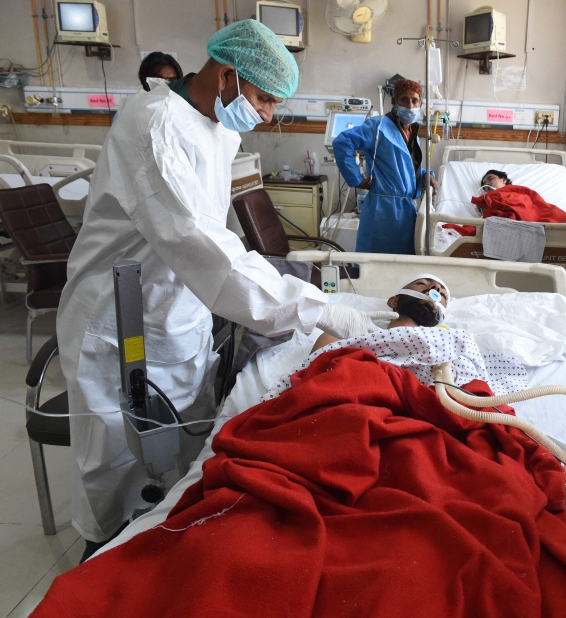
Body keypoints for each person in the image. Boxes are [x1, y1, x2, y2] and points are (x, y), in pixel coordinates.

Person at [57, 19, 383, 559]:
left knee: (183, 450)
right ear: (227, 76)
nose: (268, 115)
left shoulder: (218, 127)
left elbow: (214, 240)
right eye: (264, 99)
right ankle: (100, 555)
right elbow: (202, 245)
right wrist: (320, 309)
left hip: (180, 311)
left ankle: (165, 536)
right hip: (116, 321)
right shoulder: (155, 127)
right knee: (111, 458)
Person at [332, 79, 438, 255]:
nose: (410, 105)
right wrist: (355, 179)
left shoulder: (412, 132)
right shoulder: (378, 126)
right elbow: (342, 142)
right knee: (377, 261)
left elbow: (407, 167)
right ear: (395, 101)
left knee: (402, 263)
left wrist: (427, 175)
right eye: (404, 100)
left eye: (415, 100)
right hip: (382, 210)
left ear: (420, 103)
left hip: (406, 209)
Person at [311, 275, 449, 351]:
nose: (436, 288)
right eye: (422, 283)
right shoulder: (341, 334)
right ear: (394, 301)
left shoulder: (445, 349)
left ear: (442, 317)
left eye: (442, 294)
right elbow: (310, 379)